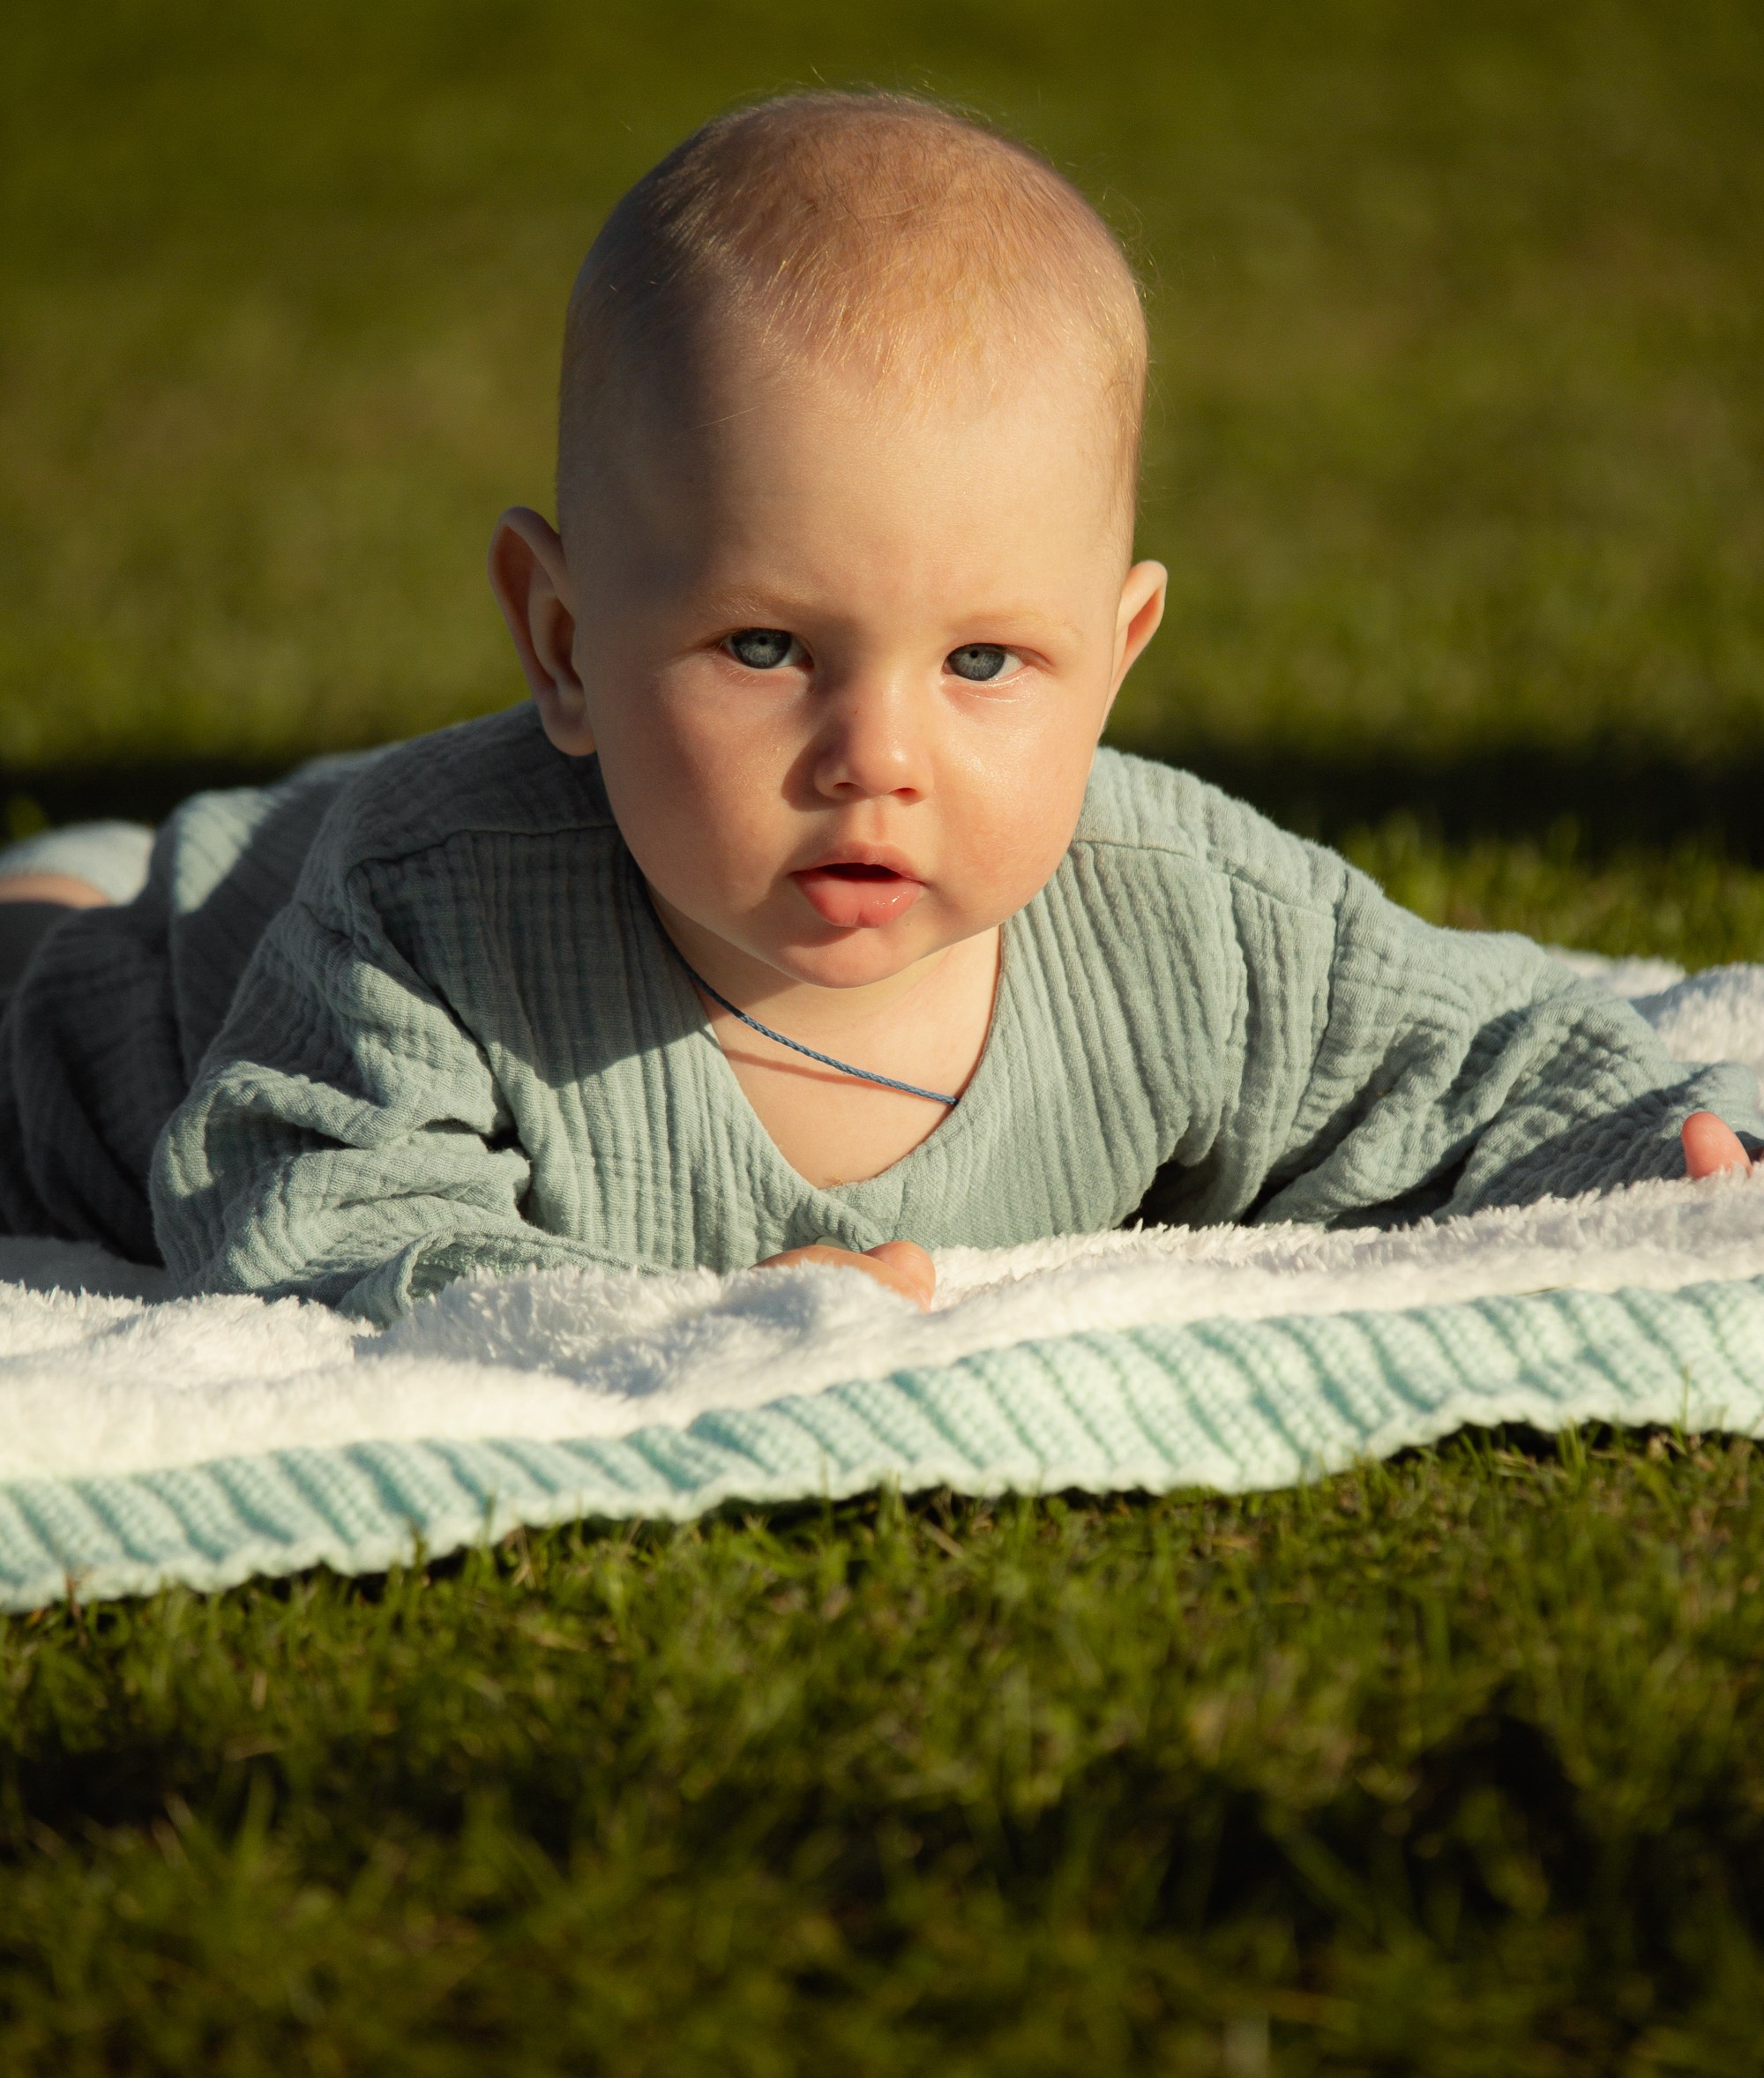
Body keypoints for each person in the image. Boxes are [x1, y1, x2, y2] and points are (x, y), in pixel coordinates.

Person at [0, 92, 1757, 1320]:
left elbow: (1446, 1054)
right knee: (52, 973)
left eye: (984, 664)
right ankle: (70, 887)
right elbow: (309, 1215)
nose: (877, 761)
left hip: (349, 832)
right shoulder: (423, 914)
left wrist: (1632, 1144)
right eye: (767, 651)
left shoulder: (1190, 920)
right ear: (560, 640)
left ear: (1117, 655)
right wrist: (617, 1325)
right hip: (173, 982)